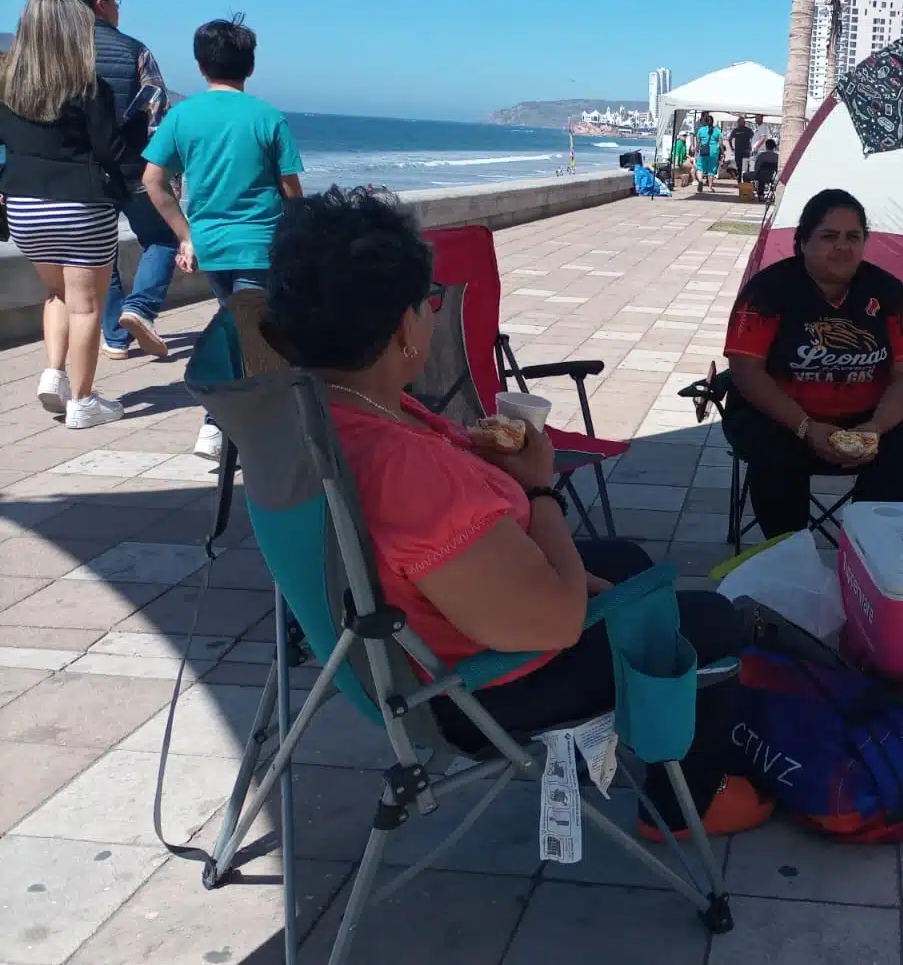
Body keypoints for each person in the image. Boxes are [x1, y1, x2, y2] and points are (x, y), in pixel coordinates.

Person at [260, 187, 771, 842]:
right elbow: (556, 622)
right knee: (712, 622)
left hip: (416, 639)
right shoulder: (402, 468)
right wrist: (537, 490)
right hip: (471, 691)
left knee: (626, 563)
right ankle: (687, 805)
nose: (430, 315)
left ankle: (646, 740)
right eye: (428, 304)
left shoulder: (328, 413)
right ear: (403, 329)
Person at [722, 188, 903, 538]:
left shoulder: (888, 292)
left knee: (901, 447)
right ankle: (788, 554)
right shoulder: (766, 292)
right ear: (802, 241)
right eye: (829, 236)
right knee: (774, 454)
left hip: (863, 423)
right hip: (780, 420)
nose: (842, 247)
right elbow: (745, 369)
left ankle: (867, 548)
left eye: (853, 237)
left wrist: (876, 427)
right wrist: (805, 427)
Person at [142, 18, 303, 460]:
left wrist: (185, 235)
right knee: (255, 336)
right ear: (249, 65)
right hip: (261, 245)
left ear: (200, 65)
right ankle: (224, 425)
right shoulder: (268, 117)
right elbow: (291, 190)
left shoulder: (182, 116)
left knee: (237, 326)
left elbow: (153, 181)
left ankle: (226, 425)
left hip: (211, 247)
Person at [0, 0, 128, 428]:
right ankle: (84, 400)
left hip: (24, 205)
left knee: (55, 293)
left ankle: (53, 374)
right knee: (86, 305)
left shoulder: (6, 83)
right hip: (81, 204)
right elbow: (109, 149)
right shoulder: (89, 86)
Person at [61, 0, 177, 361]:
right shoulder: (135, 51)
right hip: (132, 168)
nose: (117, 6)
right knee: (163, 237)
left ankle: (114, 337)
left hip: (79, 171)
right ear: (101, 3)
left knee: (100, 251)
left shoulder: (57, 54)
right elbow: (158, 113)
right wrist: (165, 173)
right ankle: (139, 308)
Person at [694, 111, 721, 193]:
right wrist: (722, 153)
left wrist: (696, 151)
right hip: (713, 151)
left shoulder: (701, 130)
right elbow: (720, 143)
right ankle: (710, 187)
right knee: (711, 169)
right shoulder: (717, 131)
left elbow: (698, 142)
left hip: (703, 150)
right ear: (713, 122)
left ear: (705, 121)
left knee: (699, 167)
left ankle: (700, 180)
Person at [729, 115, 754, 182]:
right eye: (739, 122)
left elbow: (753, 139)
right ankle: (739, 180)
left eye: (743, 122)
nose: (741, 123)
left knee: (746, 167)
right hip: (738, 151)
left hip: (746, 151)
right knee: (739, 167)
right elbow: (730, 139)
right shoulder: (735, 130)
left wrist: (751, 148)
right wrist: (732, 148)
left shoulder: (748, 130)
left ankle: (746, 180)